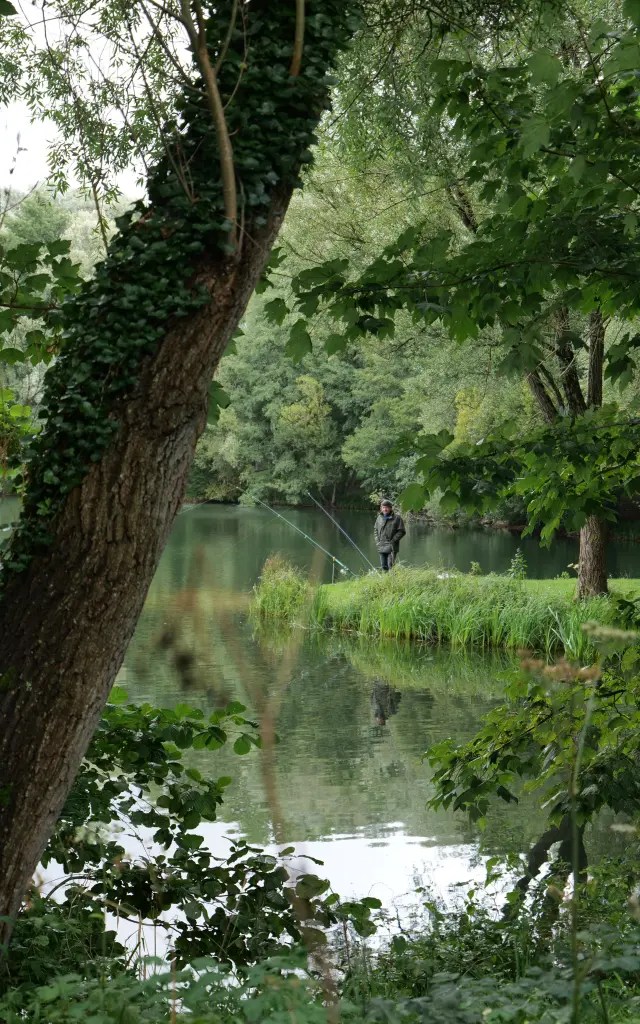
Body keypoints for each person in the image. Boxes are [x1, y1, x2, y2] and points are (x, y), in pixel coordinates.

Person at [374, 499, 406, 571]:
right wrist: (377, 541)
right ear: (381, 508)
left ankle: (392, 578)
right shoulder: (379, 518)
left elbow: (402, 531)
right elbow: (375, 530)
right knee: (383, 566)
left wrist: (393, 541)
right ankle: (385, 577)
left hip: (392, 547)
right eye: (383, 507)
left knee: (391, 566)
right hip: (381, 546)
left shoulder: (397, 518)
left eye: (387, 507)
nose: (385, 509)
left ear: (390, 508)